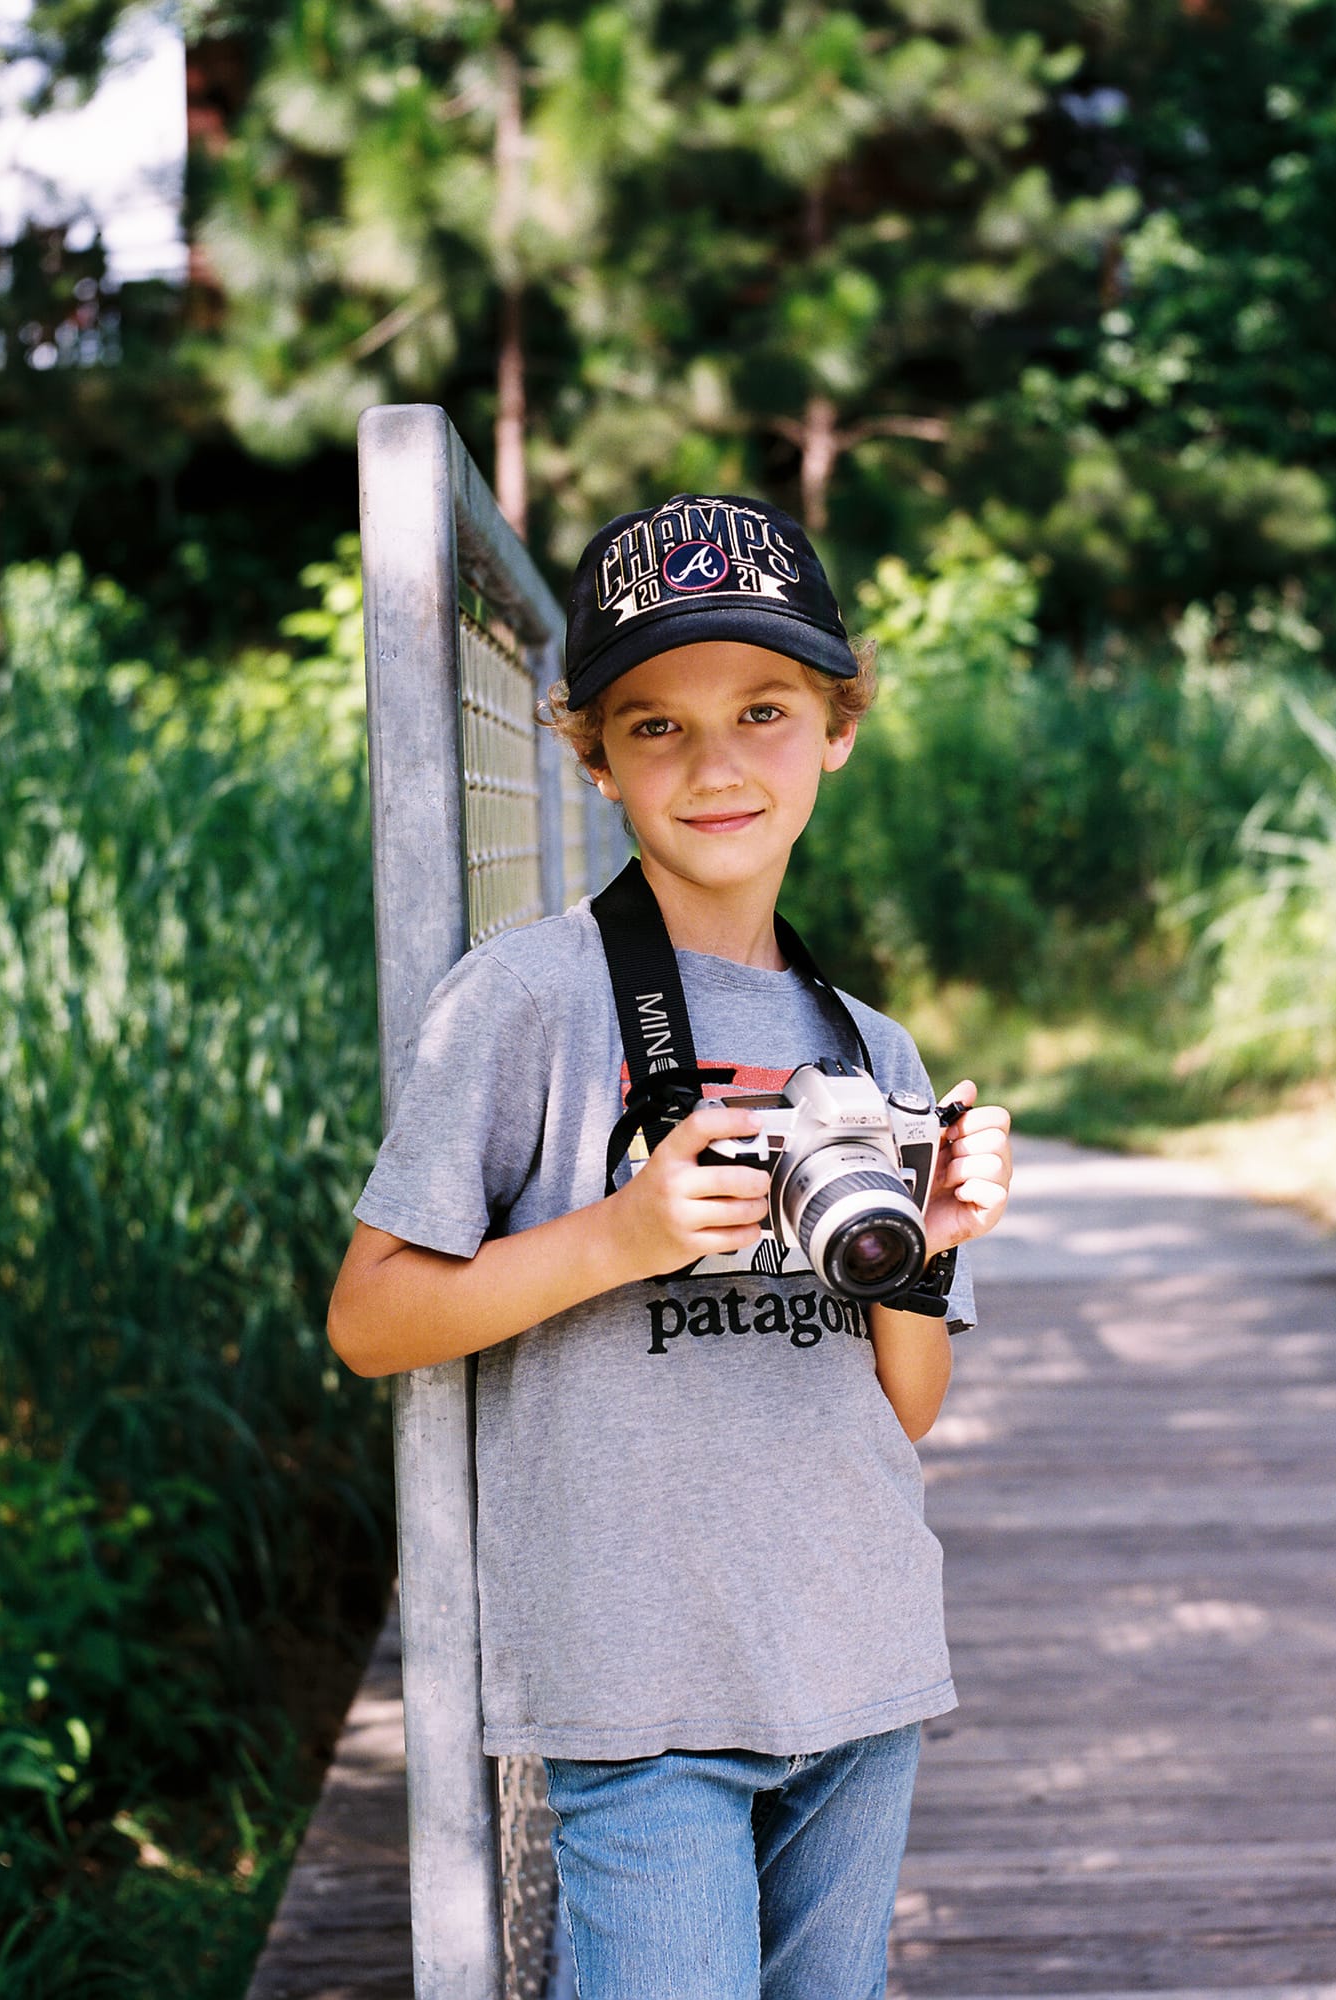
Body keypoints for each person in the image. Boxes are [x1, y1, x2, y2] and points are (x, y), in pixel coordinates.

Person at [328, 491, 1014, 2000]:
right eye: (656, 725)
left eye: (765, 710)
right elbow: (371, 1317)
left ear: (838, 726)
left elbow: (903, 1408)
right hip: (637, 1688)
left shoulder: (870, 1040)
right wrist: (624, 1233)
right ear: (591, 753)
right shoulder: (524, 1004)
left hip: (858, 1657)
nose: (716, 765)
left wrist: (932, 1247)